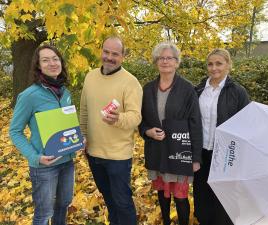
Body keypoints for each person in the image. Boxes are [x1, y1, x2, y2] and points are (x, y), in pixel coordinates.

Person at [80, 36, 142, 225]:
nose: (109, 57)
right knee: (109, 200)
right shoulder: (90, 76)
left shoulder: (130, 82)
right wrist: (83, 136)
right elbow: (84, 110)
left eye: (115, 54)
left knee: (122, 203)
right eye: (106, 52)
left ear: (122, 56)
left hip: (118, 156)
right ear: (101, 51)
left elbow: (135, 117)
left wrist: (118, 118)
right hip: (93, 152)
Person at [9, 45, 75, 225]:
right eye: (45, 60)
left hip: (67, 162)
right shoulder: (29, 95)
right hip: (44, 166)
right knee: (44, 213)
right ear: (38, 65)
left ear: (61, 62)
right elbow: (15, 131)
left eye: (55, 59)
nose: (52, 63)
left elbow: (66, 124)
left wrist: (78, 139)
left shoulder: (65, 92)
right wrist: (35, 157)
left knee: (63, 205)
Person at [139, 42, 203, 225]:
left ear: (176, 62)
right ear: (156, 62)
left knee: (180, 196)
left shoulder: (187, 89)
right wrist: (147, 131)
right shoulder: (148, 89)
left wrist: (196, 157)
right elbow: (141, 120)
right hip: (157, 149)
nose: (165, 61)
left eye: (169, 58)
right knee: (162, 193)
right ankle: (166, 221)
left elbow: (195, 123)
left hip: (179, 151)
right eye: (161, 58)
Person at [193, 48, 250, 225]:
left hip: (226, 154)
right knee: (202, 194)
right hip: (202, 152)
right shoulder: (200, 89)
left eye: (219, 63)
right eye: (210, 64)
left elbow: (247, 123)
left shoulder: (237, 92)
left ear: (228, 65)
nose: (214, 68)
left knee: (224, 196)